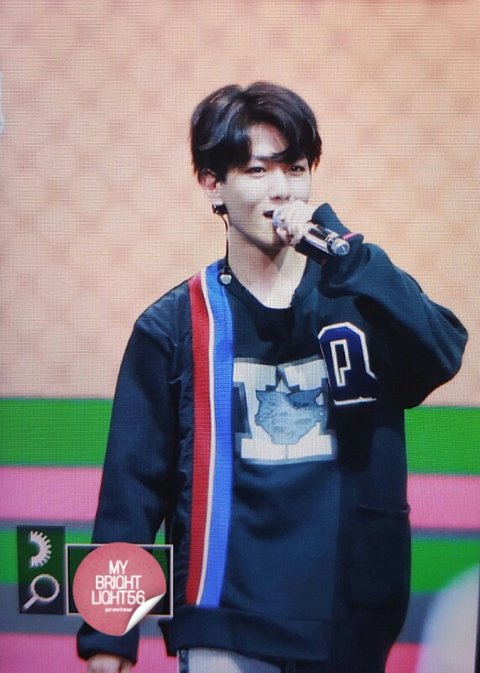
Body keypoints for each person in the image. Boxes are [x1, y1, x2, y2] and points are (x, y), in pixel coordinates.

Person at [77, 82, 468, 673]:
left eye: (296, 168)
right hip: (223, 616)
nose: (281, 189)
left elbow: (441, 352)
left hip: (348, 618)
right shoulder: (175, 326)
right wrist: (109, 637)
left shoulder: (359, 297)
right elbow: (132, 491)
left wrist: (344, 253)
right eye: (257, 170)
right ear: (213, 184)